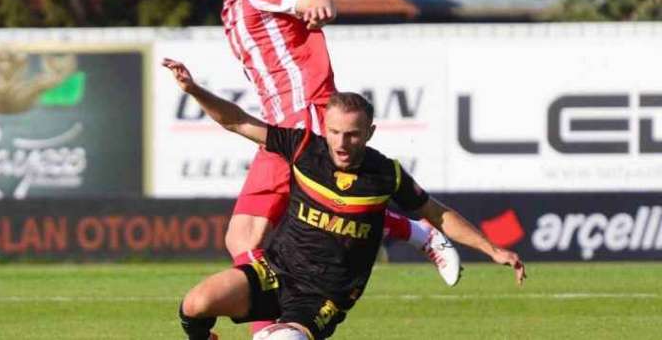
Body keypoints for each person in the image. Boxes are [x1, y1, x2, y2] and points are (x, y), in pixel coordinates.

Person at [170, 0, 461, 305]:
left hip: (306, 116)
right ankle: (272, 327)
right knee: (242, 237)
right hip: (280, 130)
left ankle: (418, 235)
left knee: (283, 226)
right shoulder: (231, 8)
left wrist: (316, 4)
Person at [163, 58, 526, 340]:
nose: (341, 143)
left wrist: (492, 249)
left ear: (369, 132)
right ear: (325, 126)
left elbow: (439, 214)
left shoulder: (386, 174)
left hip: (323, 295)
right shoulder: (304, 147)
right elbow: (237, 121)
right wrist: (194, 90)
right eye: (334, 132)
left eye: (352, 135)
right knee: (195, 305)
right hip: (275, 271)